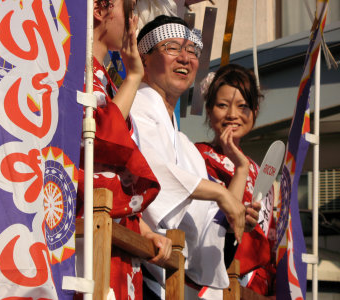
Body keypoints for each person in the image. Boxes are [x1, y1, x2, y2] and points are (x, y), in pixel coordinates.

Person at [130, 15, 260, 299]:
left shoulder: (186, 146)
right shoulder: (133, 107)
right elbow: (152, 172)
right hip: (132, 262)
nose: (185, 58)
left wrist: (235, 215)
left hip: (167, 276)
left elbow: (205, 230)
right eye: (172, 48)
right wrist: (219, 193)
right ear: (144, 57)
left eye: (192, 51)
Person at [75, 1, 172, 299]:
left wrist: (143, 231)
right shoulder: (74, 70)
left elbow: (114, 170)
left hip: (114, 227)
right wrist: (133, 77)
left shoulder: (104, 81)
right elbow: (99, 139)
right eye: (129, 12)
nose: (134, 22)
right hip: (85, 226)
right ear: (99, 10)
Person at [195, 64, 276, 296]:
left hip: (255, 289)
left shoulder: (263, 173)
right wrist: (240, 168)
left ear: (255, 112)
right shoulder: (196, 157)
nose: (233, 115)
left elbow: (270, 242)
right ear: (209, 110)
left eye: (243, 107)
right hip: (214, 281)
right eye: (222, 105)